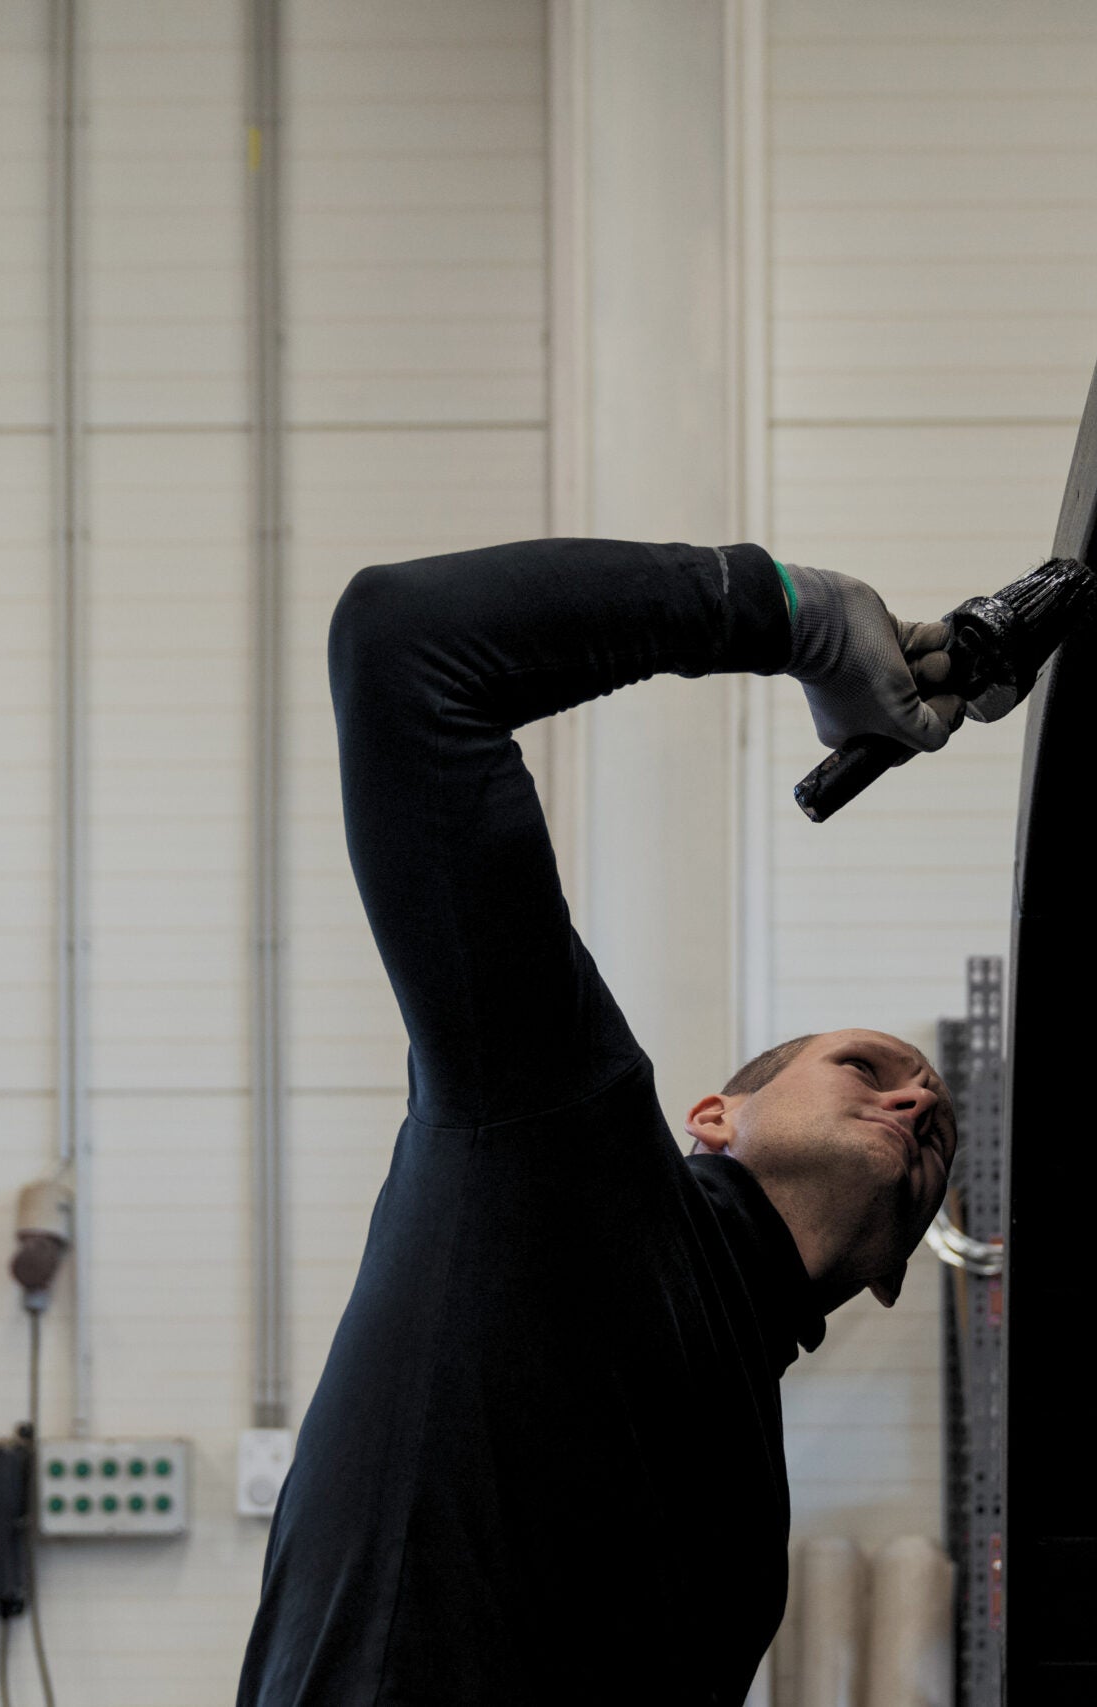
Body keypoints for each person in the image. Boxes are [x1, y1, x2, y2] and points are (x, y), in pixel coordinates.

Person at [236, 538, 968, 1704]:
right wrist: (788, 614)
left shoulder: (748, 1548)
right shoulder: (563, 1135)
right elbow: (404, 643)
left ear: (890, 1277)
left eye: (934, 1135)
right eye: (868, 1067)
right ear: (714, 1117)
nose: (917, 1101)